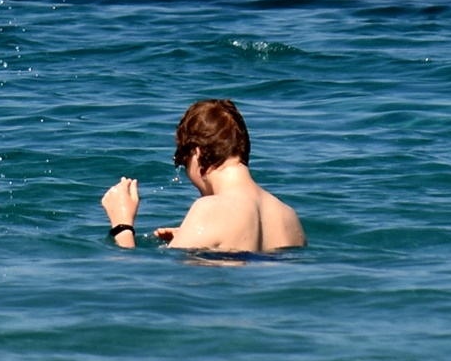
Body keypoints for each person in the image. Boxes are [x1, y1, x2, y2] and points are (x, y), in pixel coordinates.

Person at [101, 99, 306, 253]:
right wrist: (192, 239)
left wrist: (122, 225)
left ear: (197, 153)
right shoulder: (288, 217)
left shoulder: (208, 209)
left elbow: (136, 288)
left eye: (182, 160)